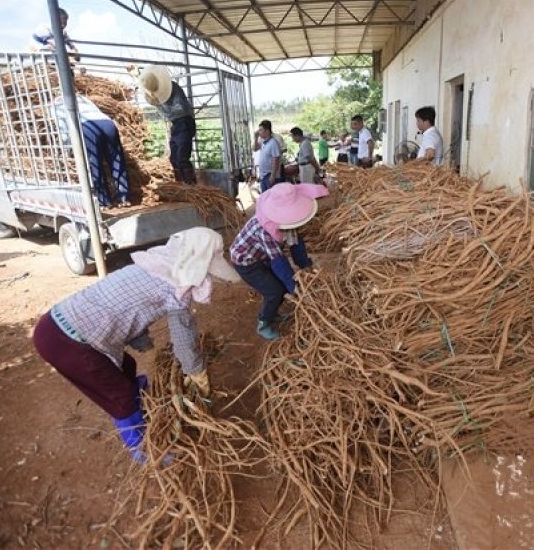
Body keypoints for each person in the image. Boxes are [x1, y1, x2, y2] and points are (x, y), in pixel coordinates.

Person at [32, 228, 241, 464]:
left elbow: (127, 304)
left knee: (126, 365)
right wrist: (196, 372)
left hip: (53, 324)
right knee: (118, 393)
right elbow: (184, 342)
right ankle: (143, 450)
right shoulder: (175, 287)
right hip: (65, 341)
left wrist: (138, 336)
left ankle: (137, 395)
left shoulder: (152, 266)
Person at [230, 183, 329, 341]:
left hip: (263, 257)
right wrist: (295, 288)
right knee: (274, 291)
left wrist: (307, 267)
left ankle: (273, 313)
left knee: (281, 287)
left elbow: (297, 246)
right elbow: (279, 263)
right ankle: (263, 323)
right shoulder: (264, 230)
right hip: (246, 262)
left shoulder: (290, 223)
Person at [54, 95, 130, 208]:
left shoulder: (55, 106)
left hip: (88, 127)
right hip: (107, 123)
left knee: (95, 164)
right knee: (116, 160)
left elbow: (63, 131)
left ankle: (104, 202)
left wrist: (67, 149)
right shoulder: (82, 98)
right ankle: (124, 198)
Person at [138, 65, 197, 185]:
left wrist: (161, 103)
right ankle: (181, 184)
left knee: (181, 157)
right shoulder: (156, 91)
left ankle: (191, 186)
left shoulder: (174, 89)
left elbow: (181, 109)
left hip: (184, 121)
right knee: (174, 158)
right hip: (176, 123)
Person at [253, 120, 283, 192]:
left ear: (267, 131)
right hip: (264, 175)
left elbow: (276, 159)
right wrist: (255, 138)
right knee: (265, 197)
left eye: (260, 130)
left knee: (272, 198)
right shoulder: (263, 141)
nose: (259, 132)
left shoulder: (273, 143)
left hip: (270, 175)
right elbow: (254, 149)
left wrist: (272, 176)